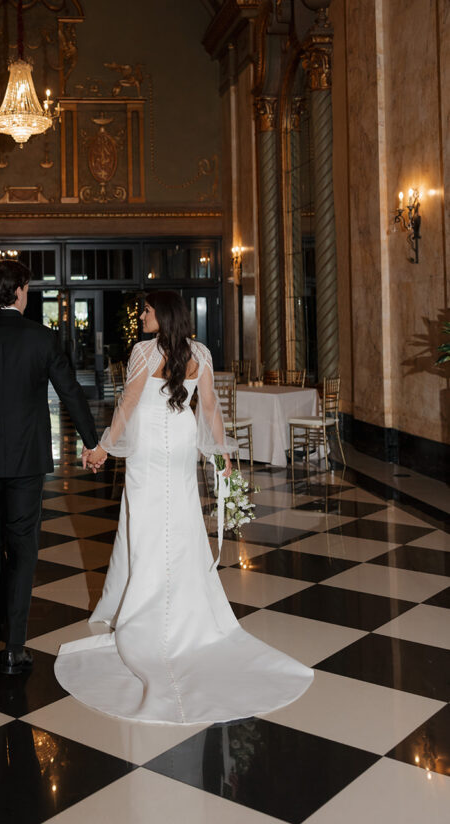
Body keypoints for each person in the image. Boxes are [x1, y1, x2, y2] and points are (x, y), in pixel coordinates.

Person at [57, 290, 313, 723]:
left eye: (147, 310)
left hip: (148, 447)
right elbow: (209, 406)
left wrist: (102, 447)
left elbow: (129, 403)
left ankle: (144, 611)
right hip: (179, 441)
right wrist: (222, 451)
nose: (142, 315)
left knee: (147, 522)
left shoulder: (144, 352)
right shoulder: (201, 352)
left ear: (165, 315)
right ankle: (186, 611)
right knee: (181, 518)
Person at [0, 259, 99, 675]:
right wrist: (92, 441)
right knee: (24, 545)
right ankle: (15, 645)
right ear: (19, 291)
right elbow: (71, 392)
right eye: (28, 288)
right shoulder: (41, 338)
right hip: (27, 459)